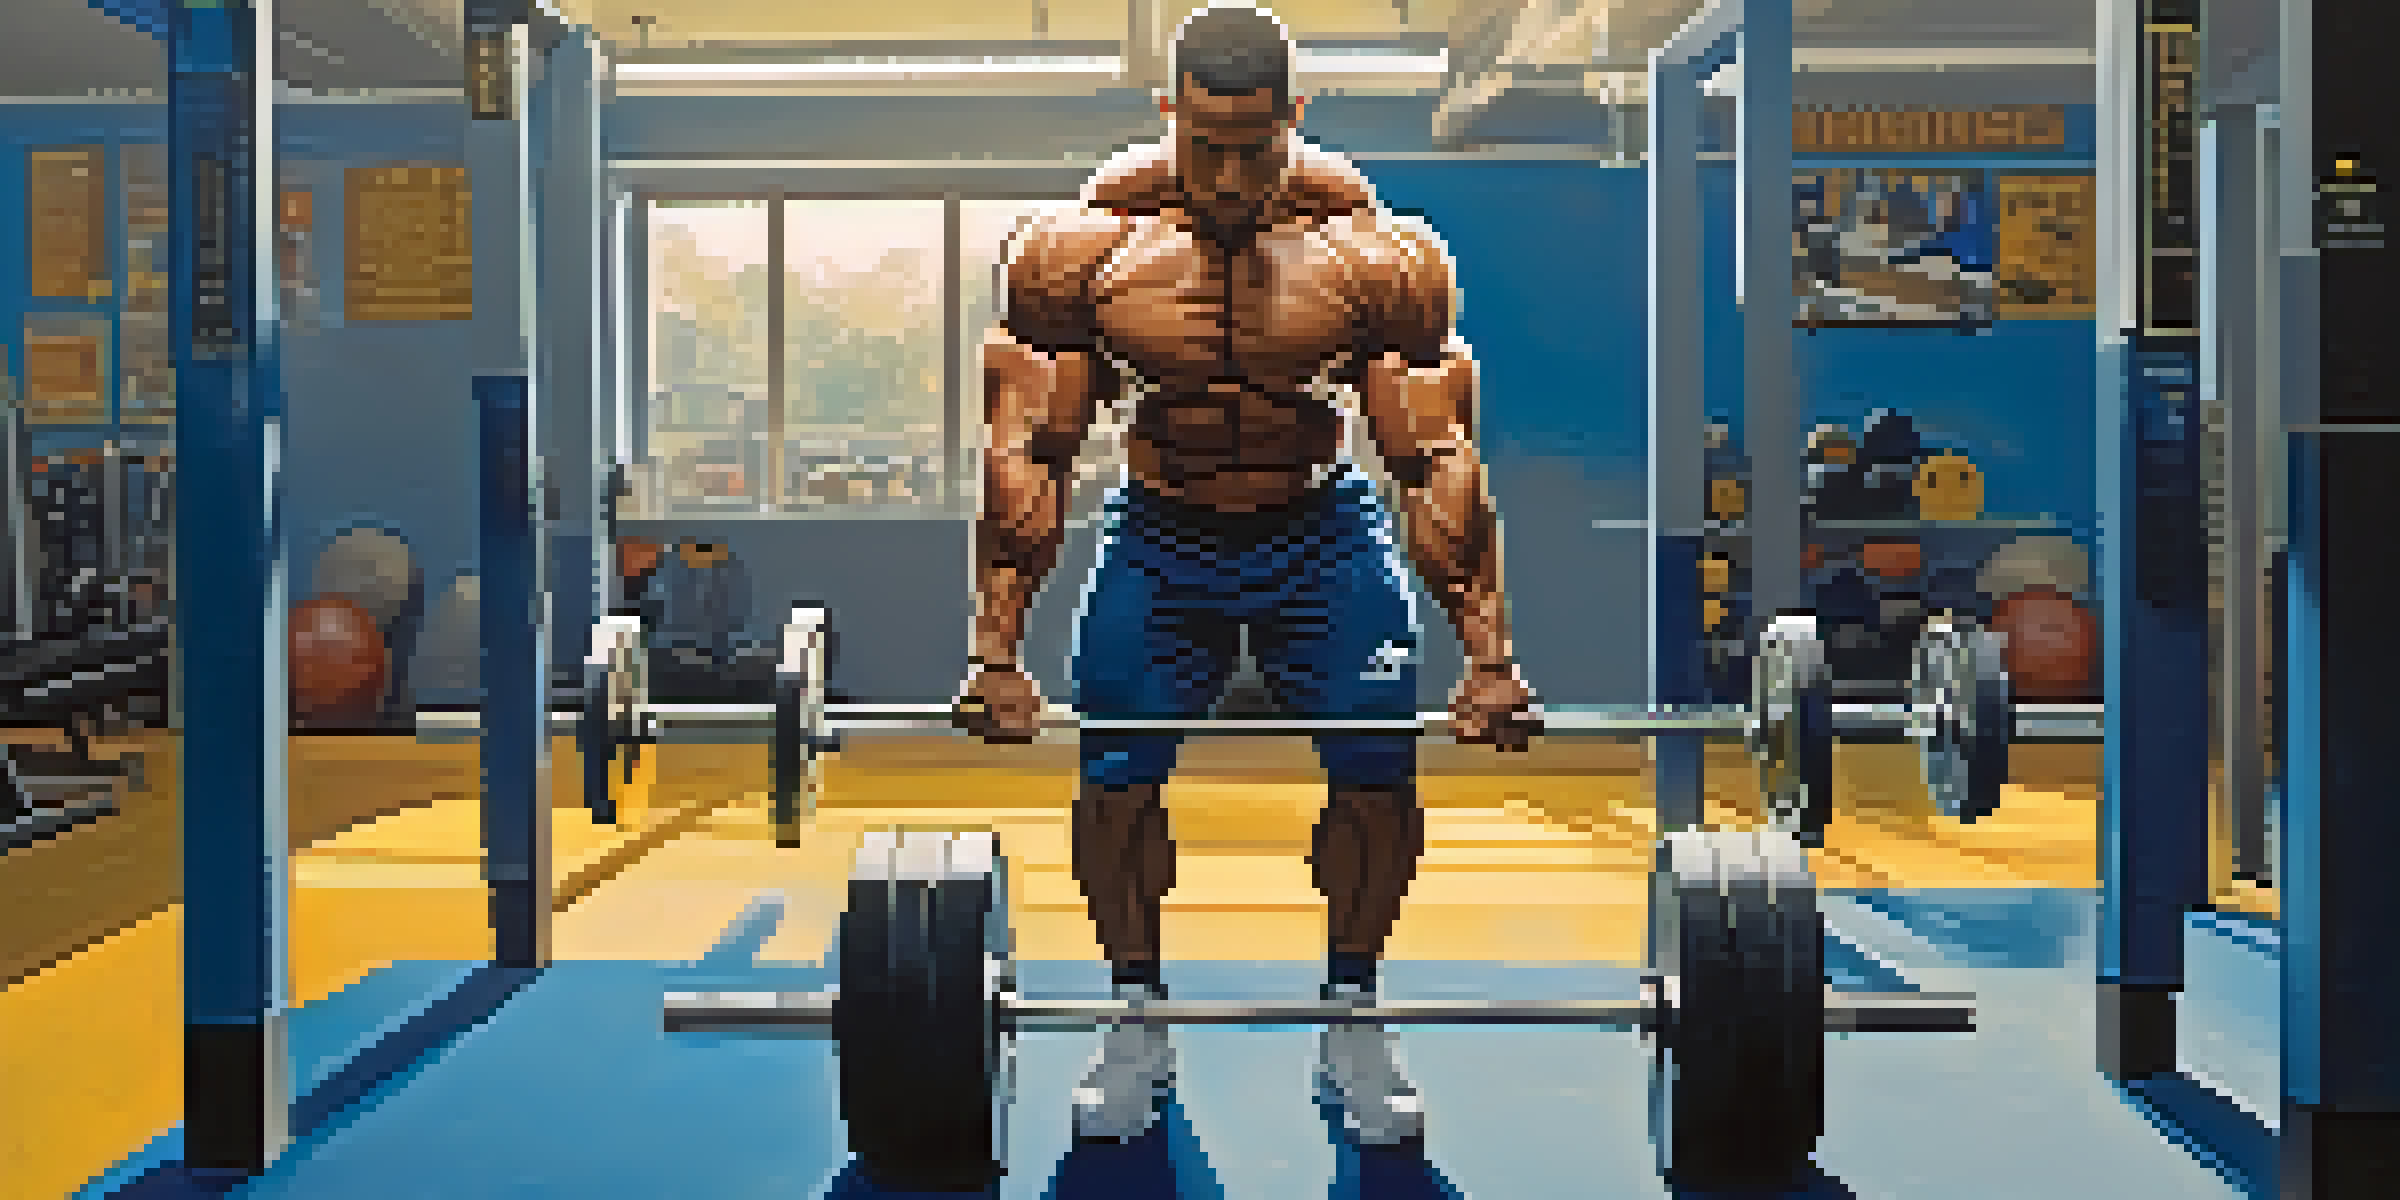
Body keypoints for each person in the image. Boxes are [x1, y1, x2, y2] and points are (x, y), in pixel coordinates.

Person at [954, 2, 1542, 1148]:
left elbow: (1431, 456)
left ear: (1295, 118)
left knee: (1379, 774)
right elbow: (1031, 449)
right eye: (1206, 146)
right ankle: (1135, 1011)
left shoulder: (1373, 255)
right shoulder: (1084, 250)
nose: (1230, 176)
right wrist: (994, 650)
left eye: (1257, 148)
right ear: (1169, 112)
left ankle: (1352, 1010)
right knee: (1114, 779)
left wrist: (1489, 658)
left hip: (1319, 531)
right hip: (1160, 535)